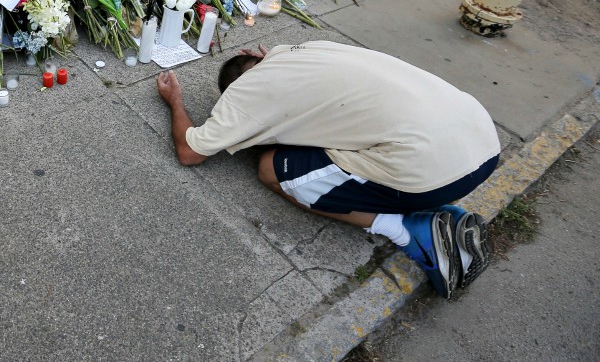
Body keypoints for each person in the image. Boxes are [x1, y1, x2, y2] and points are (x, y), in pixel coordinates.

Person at [156, 40, 500, 299]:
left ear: (233, 90)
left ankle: (410, 230)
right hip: (482, 140)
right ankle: (421, 203)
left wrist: (176, 102)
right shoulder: (305, 49)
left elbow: (190, 152)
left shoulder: (243, 93)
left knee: (270, 169)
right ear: (258, 57)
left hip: (430, 171)